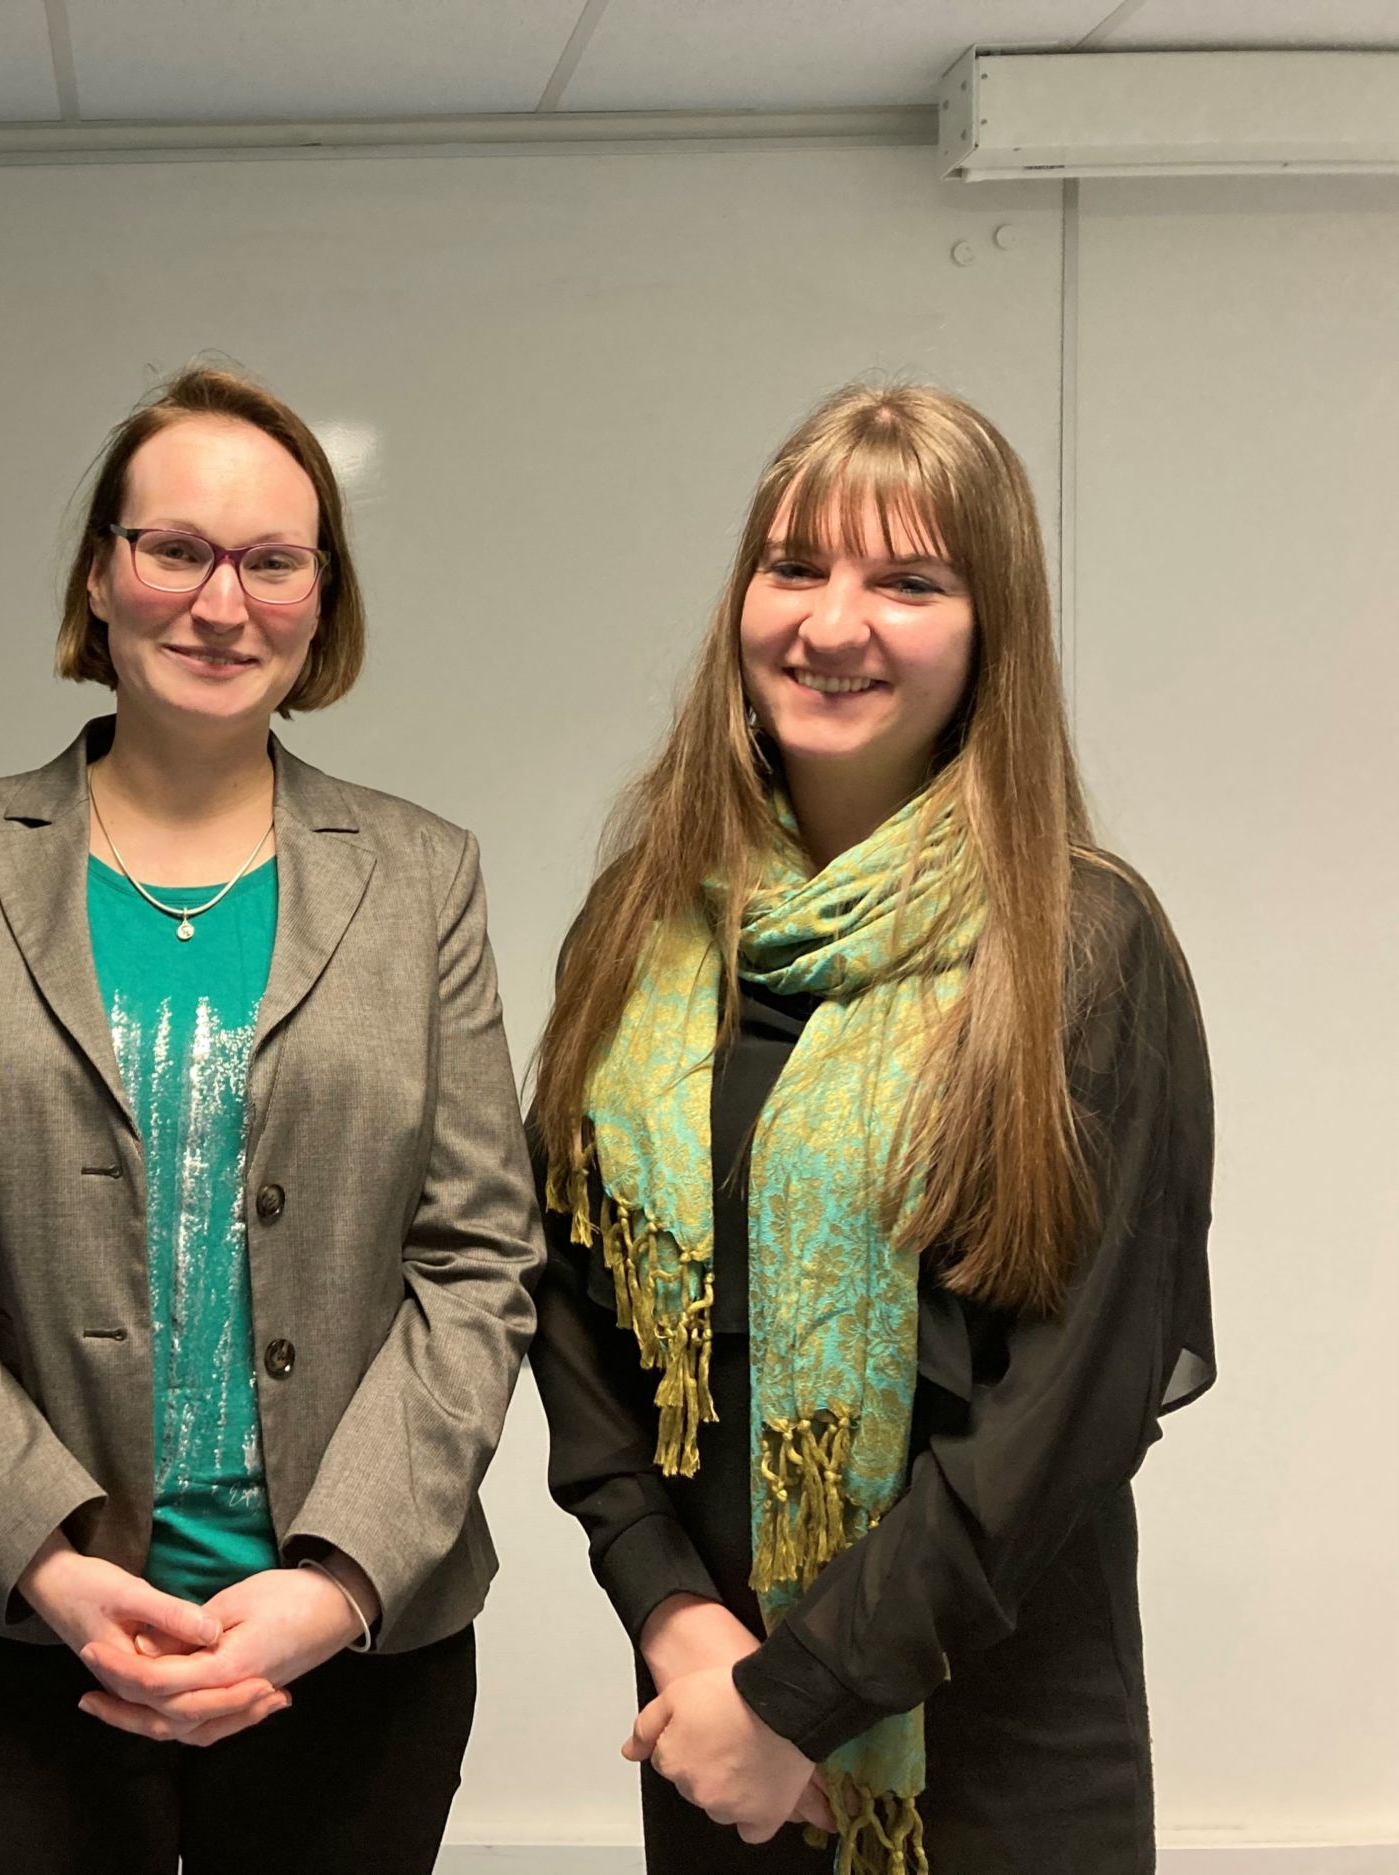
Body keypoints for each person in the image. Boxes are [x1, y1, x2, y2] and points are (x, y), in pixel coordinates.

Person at [0, 364, 540, 1873]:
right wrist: (51, 1563)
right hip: (29, 1643)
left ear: (319, 597)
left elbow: (480, 1259)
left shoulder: (421, 880)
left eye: (274, 562)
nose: (223, 603)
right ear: (102, 572)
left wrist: (335, 1585)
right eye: (176, 551)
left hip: (352, 1654)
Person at [526, 384, 1215, 1873]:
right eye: (795, 568)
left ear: (990, 635)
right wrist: (676, 1620)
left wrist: (801, 1698)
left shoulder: (1085, 946)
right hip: (710, 1729)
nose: (833, 623)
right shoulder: (639, 928)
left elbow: (1069, 1409)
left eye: (908, 582)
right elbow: (571, 1310)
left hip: (994, 1743)